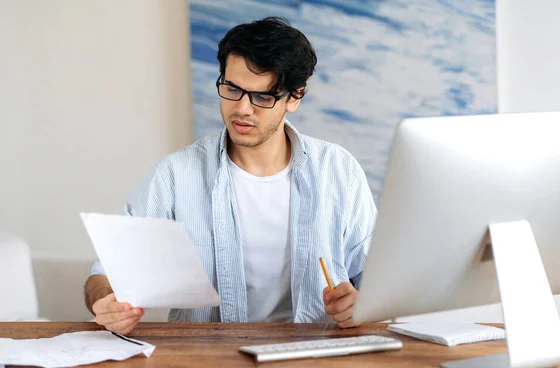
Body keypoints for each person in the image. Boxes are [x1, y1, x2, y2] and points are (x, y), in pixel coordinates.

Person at [84, 17, 376, 335]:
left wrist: (359, 305)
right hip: (207, 363)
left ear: (295, 97)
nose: (242, 109)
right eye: (232, 89)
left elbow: (374, 282)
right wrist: (107, 302)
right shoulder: (175, 175)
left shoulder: (339, 171)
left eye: (263, 97)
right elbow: (104, 276)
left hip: (316, 359)